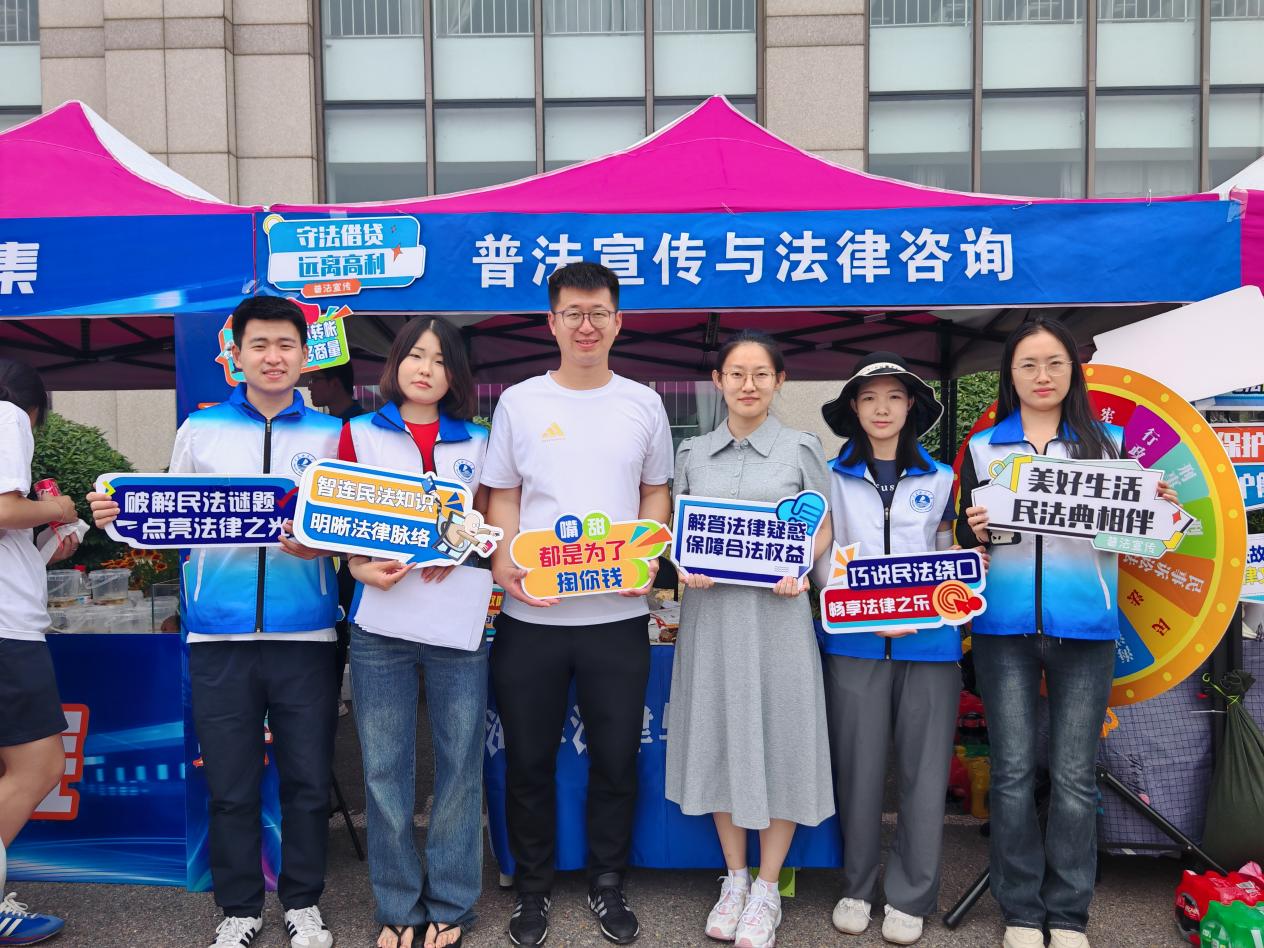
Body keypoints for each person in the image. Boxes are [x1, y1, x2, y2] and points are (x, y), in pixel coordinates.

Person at [90, 297, 342, 948]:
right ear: (236, 354)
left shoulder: (332, 436)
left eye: (286, 344)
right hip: (217, 633)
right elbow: (166, 516)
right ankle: (239, 908)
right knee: (229, 782)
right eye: (259, 344)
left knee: (307, 780)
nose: (273, 357)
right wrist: (116, 513)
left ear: (305, 354)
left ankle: (303, 902)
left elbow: (350, 530)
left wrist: (321, 545)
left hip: (306, 632)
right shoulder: (200, 430)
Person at [957, 318, 1176, 948]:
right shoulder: (984, 448)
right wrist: (973, 528)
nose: (1042, 375)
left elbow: (1141, 534)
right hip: (1002, 628)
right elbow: (963, 537)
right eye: (1028, 364)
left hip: (1085, 626)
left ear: (1073, 372)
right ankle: (1021, 911)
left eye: (1054, 363)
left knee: (1076, 777)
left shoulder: (1108, 447)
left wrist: (1154, 506)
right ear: (1010, 375)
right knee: (1012, 773)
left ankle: (1069, 913)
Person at [483, 262, 673, 946]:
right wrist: (503, 560)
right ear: (552, 322)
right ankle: (532, 889)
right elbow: (502, 493)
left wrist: (647, 551)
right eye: (572, 313)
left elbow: (656, 490)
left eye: (598, 313)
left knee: (616, 760)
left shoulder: (643, 403)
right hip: (531, 620)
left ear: (618, 322)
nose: (585, 325)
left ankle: (607, 881)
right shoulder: (519, 401)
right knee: (528, 762)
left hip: (617, 620)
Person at [665, 331, 835, 948]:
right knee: (719, 734)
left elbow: (822, 525)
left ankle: (767, 889)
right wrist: (682, 563)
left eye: (761, 374)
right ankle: (734, 878)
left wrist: (802, 566)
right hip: (711, 618)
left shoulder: (801, 448)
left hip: (778, 618)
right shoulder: (693, 453)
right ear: (718, 382)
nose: (748, 385)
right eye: (736, 373)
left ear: (780, 381)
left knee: (783, 736)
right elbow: (679, 528)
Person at [337, 318, 489, 948]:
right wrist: (357, 565)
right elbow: (337, 519)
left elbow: (494, 520)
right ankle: (397, 904)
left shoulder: (480, 440)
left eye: (441, 359)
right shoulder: (357, 433)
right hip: (382, 621)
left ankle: (452, 902)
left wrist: (466, 546)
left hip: (457, 619)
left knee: (461, 764)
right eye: (415, 355)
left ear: (457, 374)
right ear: (396, 362)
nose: (426, 369)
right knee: (383, 768)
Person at [815, 351, 965, 946]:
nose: (882, 408)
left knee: (924, 775)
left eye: (895, 397)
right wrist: (863, 608)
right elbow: (820, 556)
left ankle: (910, 895)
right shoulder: (828, 476)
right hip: (853, 641)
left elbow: (949, 554)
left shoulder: (942, 478)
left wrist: (950, 588)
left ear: (911, 407)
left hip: (931, 644)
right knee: (856, 769)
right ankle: (856, 885)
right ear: (854, 408)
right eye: (870, 397)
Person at [0, 358, 79, 947]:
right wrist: (58, 509)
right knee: (40, 766)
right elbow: (3, 509)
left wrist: (46, 544)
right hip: (7, 631)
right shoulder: (6, 414)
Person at [306, 359, 366, 714]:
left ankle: (335, 696)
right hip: (322, 542)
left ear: (335, 383)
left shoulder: (359, 427)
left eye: (316, 380)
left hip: (352, 543)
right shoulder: (324, 426)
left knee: (346, 616)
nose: (310, 387)